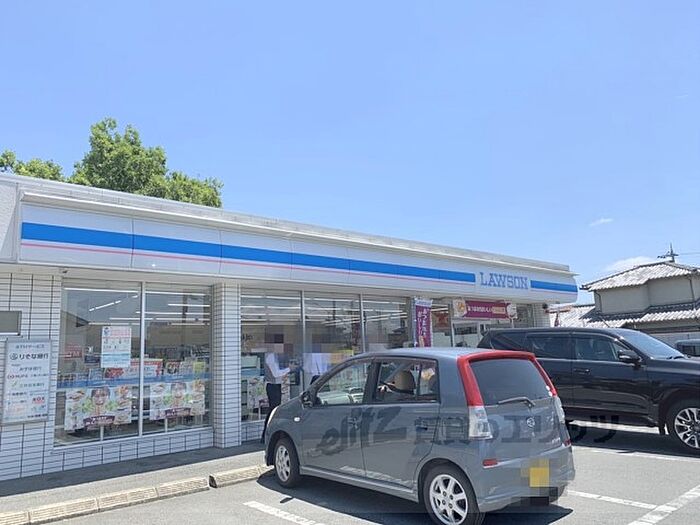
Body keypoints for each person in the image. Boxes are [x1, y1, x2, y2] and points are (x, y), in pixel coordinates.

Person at [261, 351, 290, 443]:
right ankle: (266, 435)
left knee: (274, 410)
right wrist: (289, 368)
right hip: (272, 386)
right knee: (273, 411)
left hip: (276, 385)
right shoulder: (270, 357)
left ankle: (268, 434)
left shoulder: (276, 357)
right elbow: (276, 373)